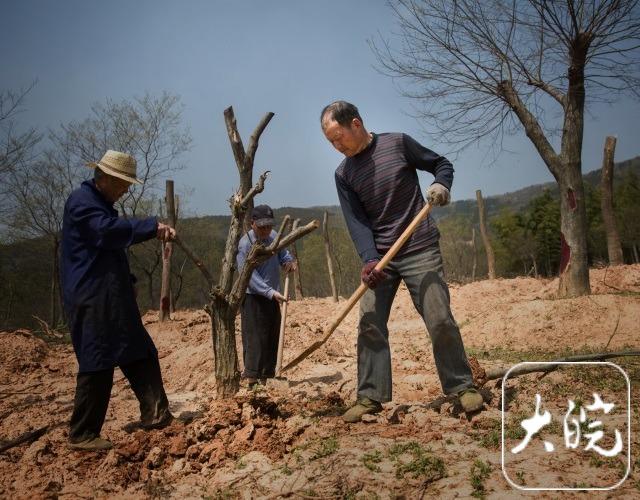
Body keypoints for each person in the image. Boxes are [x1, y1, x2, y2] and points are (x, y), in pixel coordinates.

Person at [320, 101, 484, 422]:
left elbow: (441, 164)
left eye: (339, 137)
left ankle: (462, 386)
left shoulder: (397, 144)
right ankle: (370, 397)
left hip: (419, 245)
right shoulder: (344, 174)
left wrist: (441, 184)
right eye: (330, 142)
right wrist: (369, 259)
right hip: (381, 259)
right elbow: (357, 222)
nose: (336, 146)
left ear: (356, 124)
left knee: (438, 317)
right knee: (369, 321)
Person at [61, 150, 175, 451]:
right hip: (91, 296)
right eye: (123, 184)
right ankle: (83, 432)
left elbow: (110, 253)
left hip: (112, 295)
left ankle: (156, 413)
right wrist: (151, 227)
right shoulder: (82, 203)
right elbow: (106, 234)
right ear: (107, 178)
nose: (126, 191)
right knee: (97, 359)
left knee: (138, 349)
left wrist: (129, 282)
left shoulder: (101, 205)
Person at [236, 204, 297, 386]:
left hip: (273, 295)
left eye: (269, 226)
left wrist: (288, 262)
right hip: (253, 297)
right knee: (255, 338)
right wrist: (269, 292)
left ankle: (268, 376)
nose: (266, 230)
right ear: (252, 223)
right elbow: (248, 276)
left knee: (272, 335)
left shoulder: (273, 236)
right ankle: (252, 379)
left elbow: (283, 254)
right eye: (262, 227)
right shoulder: (245, 244)